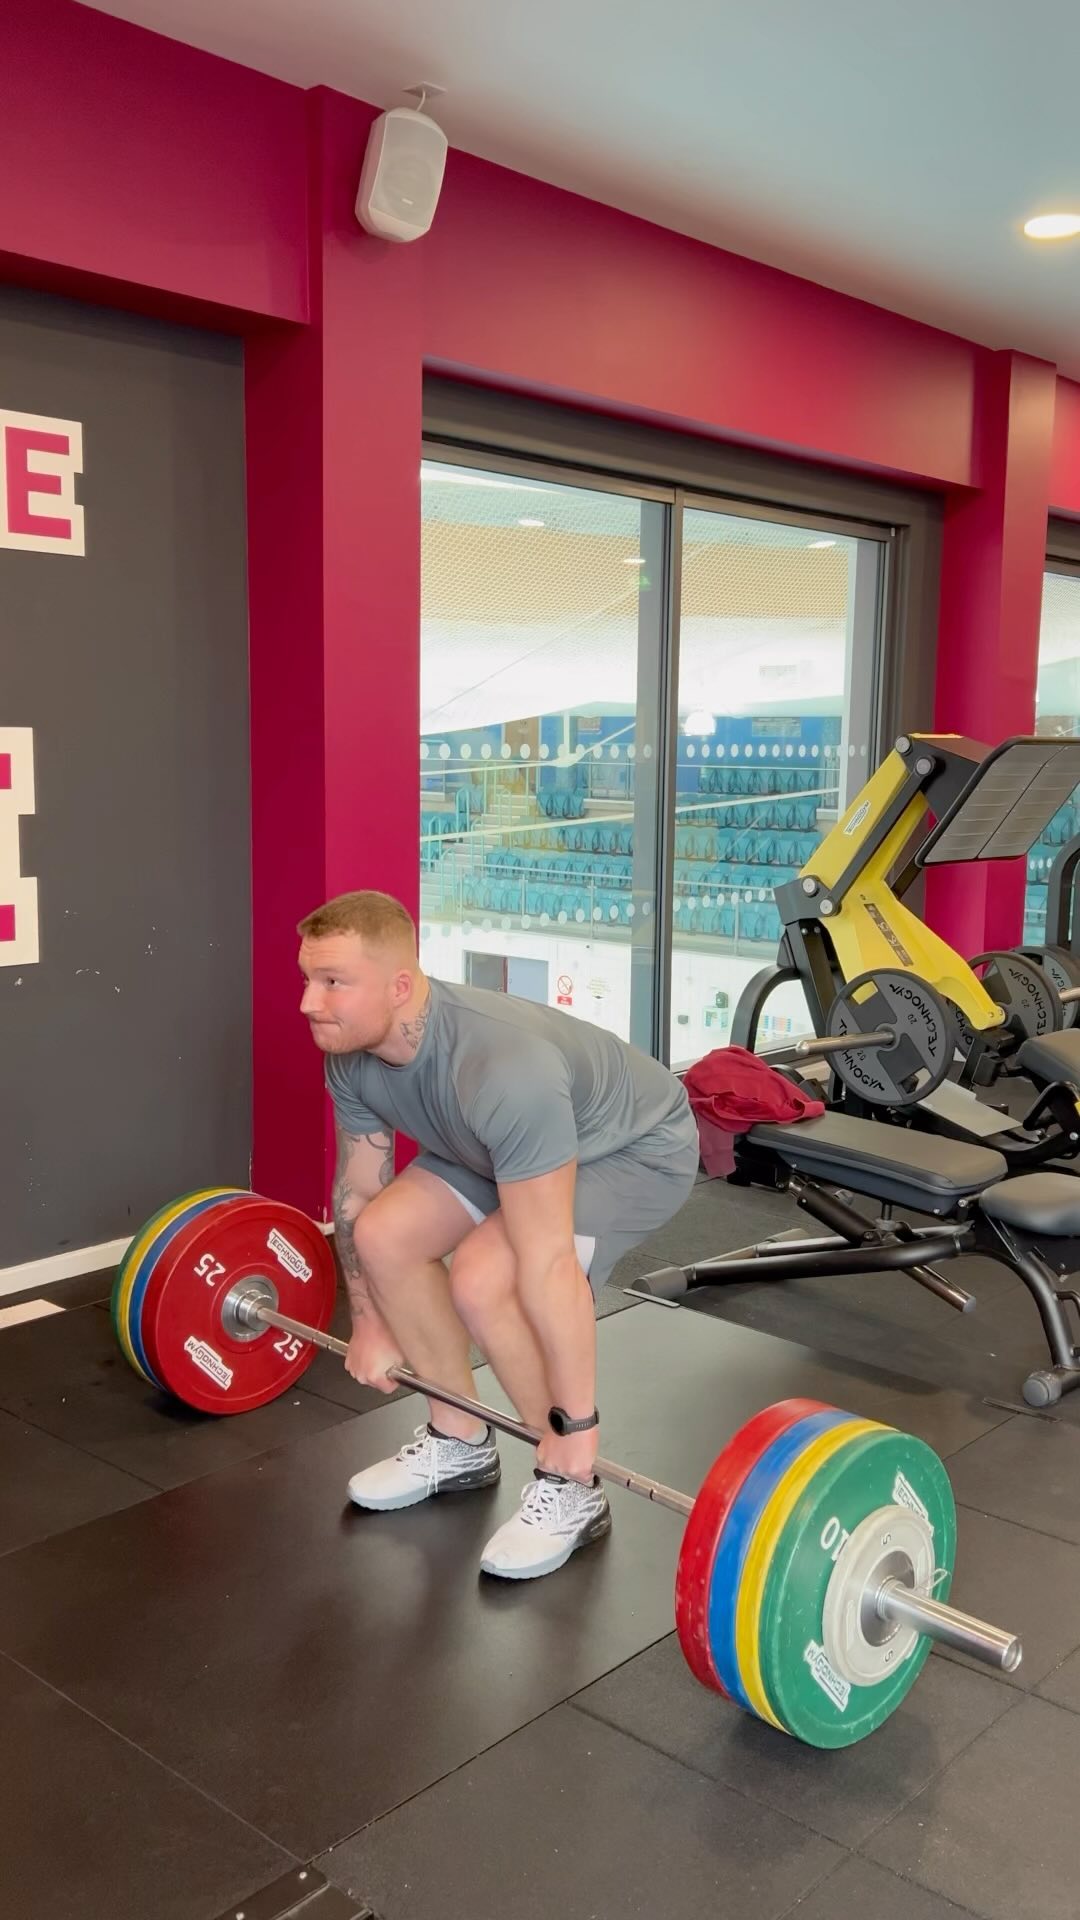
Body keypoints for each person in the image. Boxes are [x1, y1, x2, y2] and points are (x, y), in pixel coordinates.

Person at [298, 889, 699, 1580]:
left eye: (333, 982)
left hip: (633, 1149)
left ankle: (573, 1489)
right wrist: (368, 1323)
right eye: (308, 978)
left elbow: (545, 1265)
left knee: (485, 1277)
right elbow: (360, 1193)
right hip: (491, 1146)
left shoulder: (502, 1067)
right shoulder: (352, 1053)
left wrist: (578, 1427)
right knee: (386, 1233)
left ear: (399, 986)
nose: (309, 1001)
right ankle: (460, 1437)